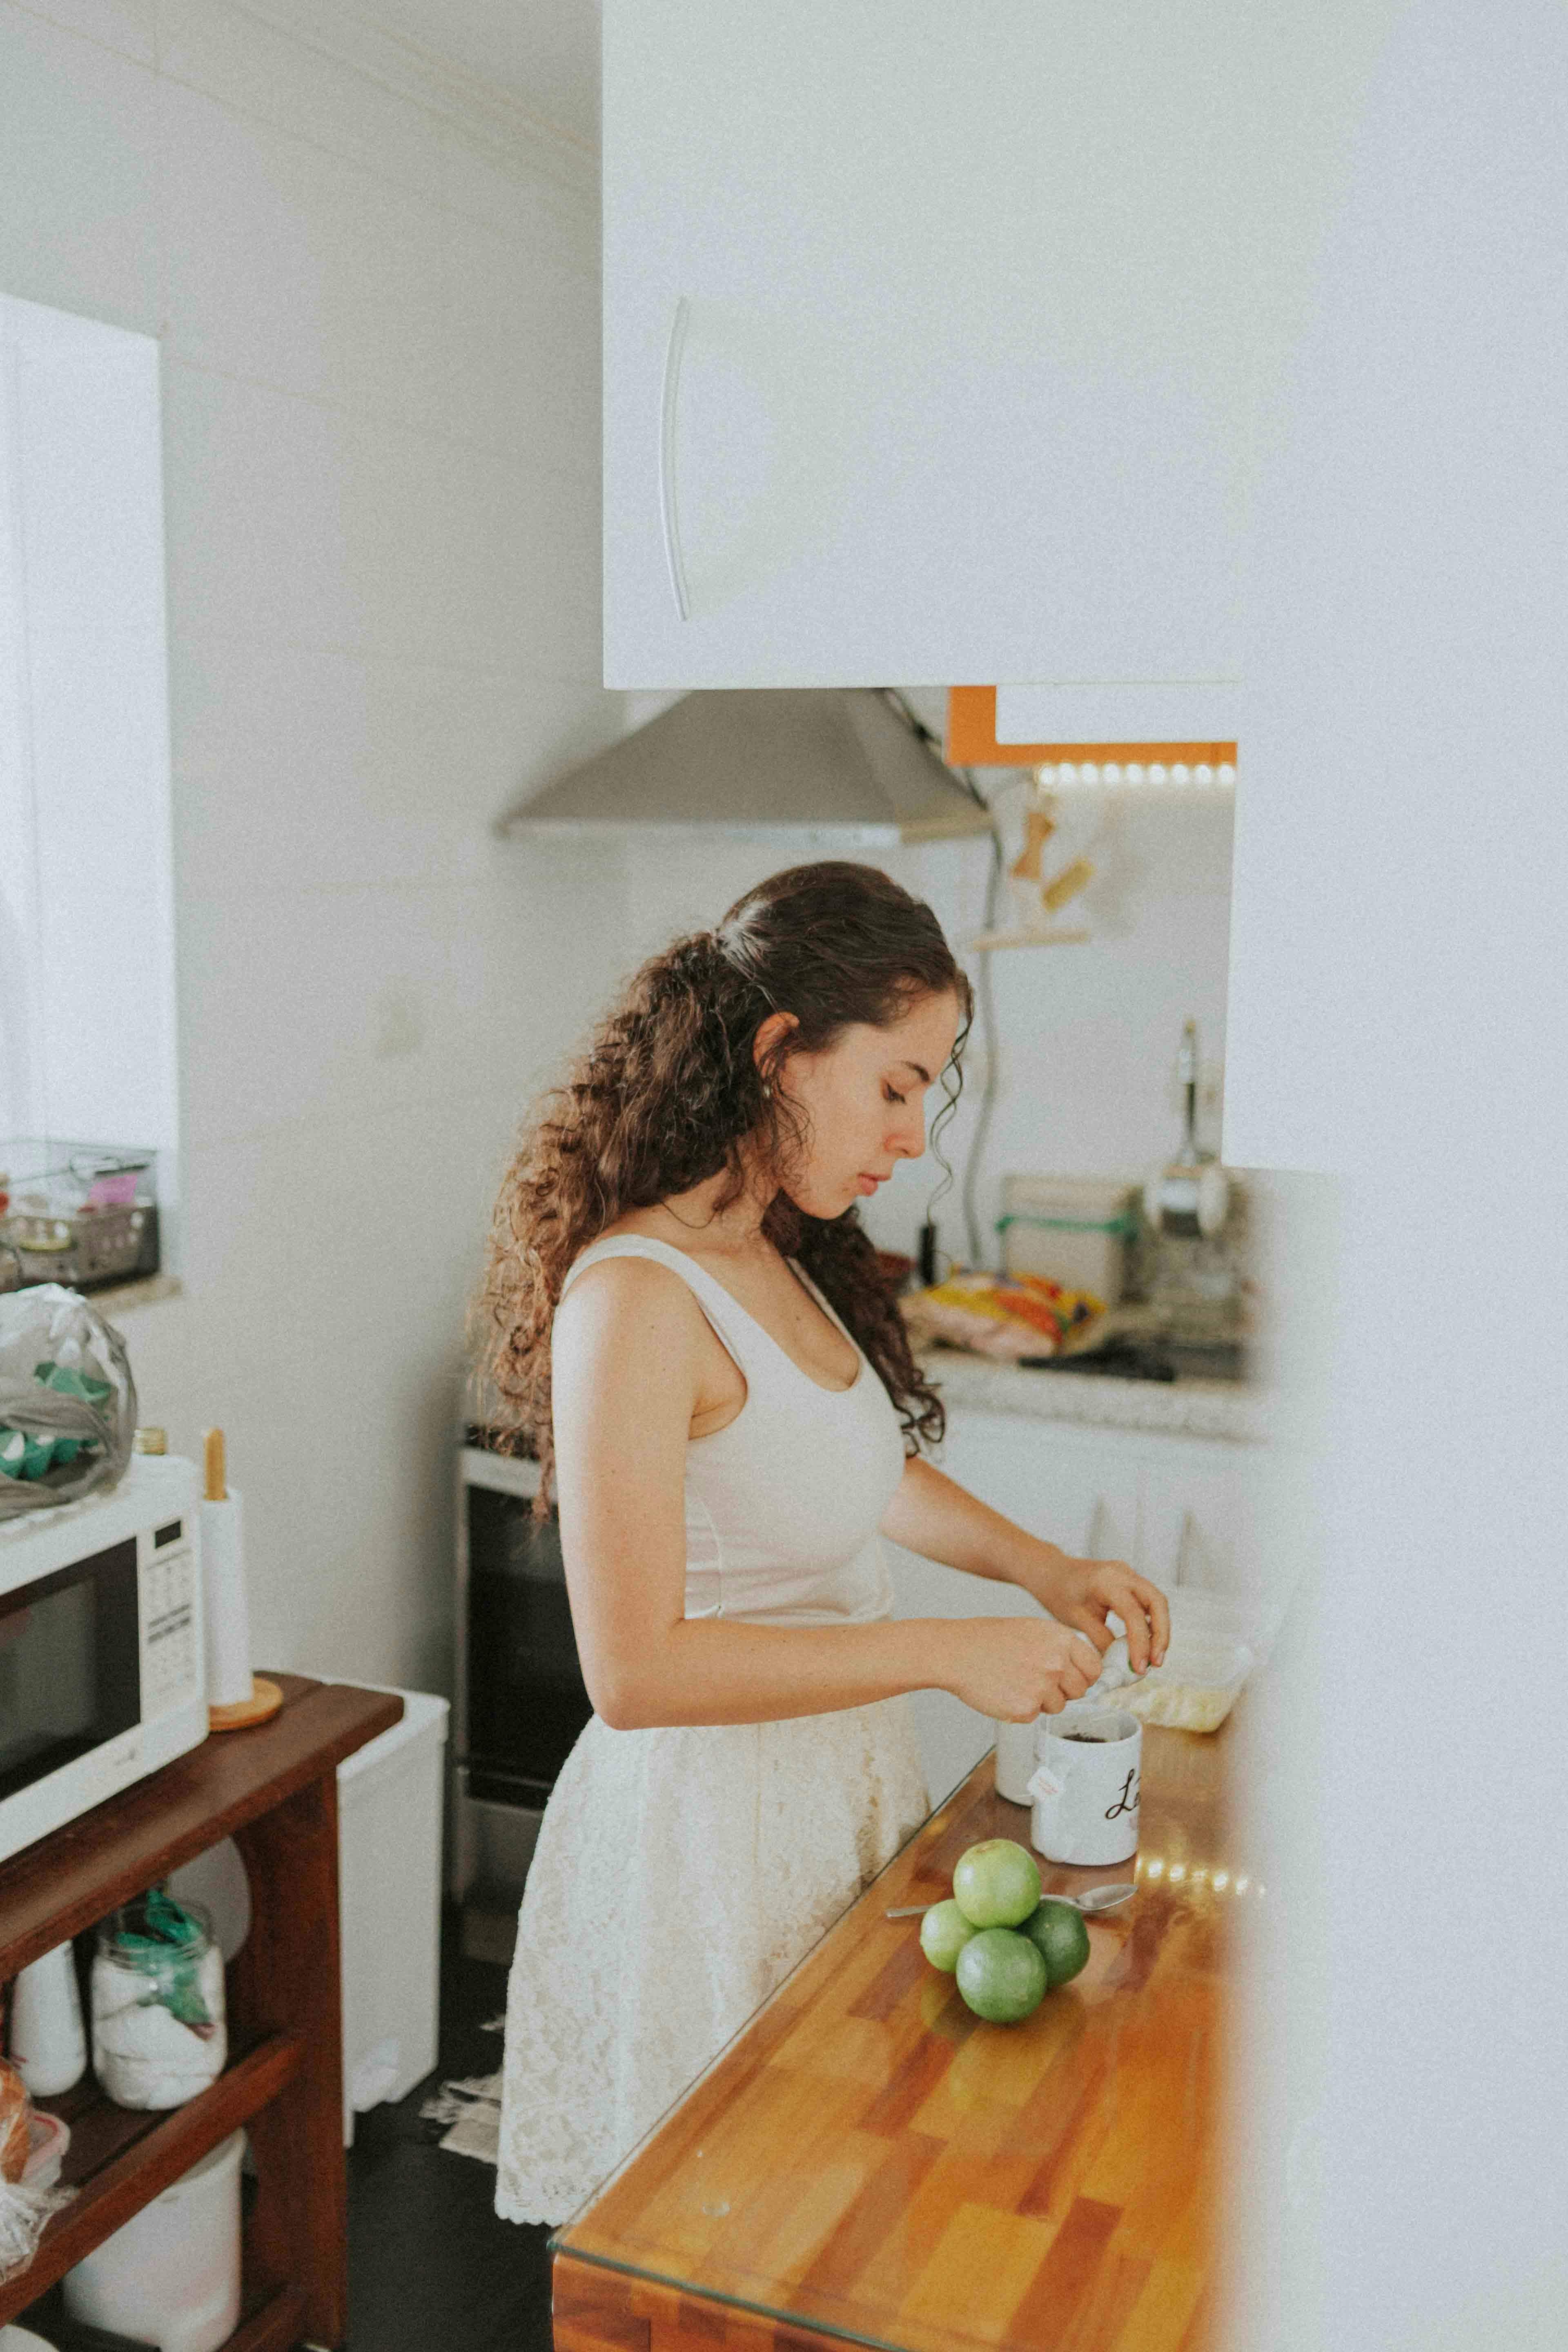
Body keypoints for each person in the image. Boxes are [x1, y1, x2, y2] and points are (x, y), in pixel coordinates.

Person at [471, 860, 1170, 2228]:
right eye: (898, 1083)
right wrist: (942, 1651)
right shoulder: (637, 1295)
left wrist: (1044, 1568)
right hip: (704, 1850)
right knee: (724, 2239)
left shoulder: (768, 1247)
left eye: (931, 1091)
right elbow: (635, 1674)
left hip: (819, 1798)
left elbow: (858, 1476)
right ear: (779, 1051)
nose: (915, 1138)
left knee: (834, 2212)